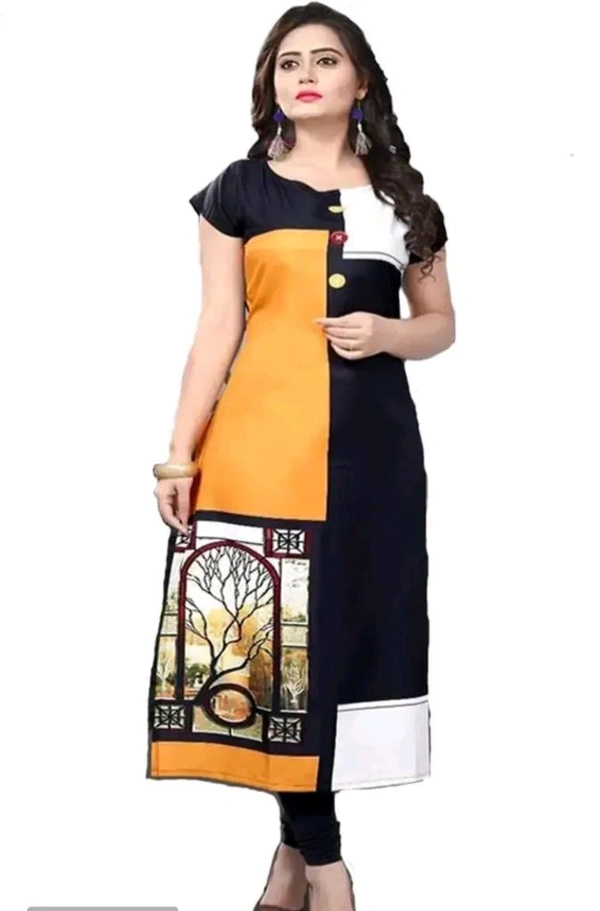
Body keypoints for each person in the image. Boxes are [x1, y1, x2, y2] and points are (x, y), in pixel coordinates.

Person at [147, 3, 455, 909]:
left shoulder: (406, 202)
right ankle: (326, 867)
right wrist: (177, 455)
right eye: (288, 63)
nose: (305, 75)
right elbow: (217, 325)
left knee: (344, 643)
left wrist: (388, 333)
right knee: (274, 653)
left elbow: (442, 324)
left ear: (362, 82)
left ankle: (288, 863)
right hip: (260, 450)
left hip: (374, 459)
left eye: (326, 60)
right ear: (270, 85)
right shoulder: (239, 190)